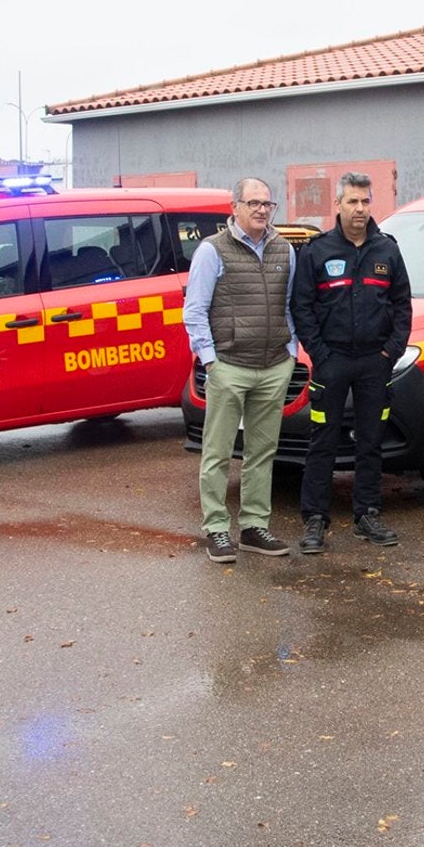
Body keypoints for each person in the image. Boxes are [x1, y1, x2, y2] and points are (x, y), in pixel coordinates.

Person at [289, 172, 412, 554]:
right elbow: (302, 307)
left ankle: (368, 514)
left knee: (370, 441)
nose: (359, 209)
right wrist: (321, 355)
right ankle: (315, 519)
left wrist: (390, 351)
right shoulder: (318, 251)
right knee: (322, 441)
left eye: (364, 202)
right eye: (352, 202)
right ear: (338, 205)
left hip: (375, 362)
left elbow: (402, 305)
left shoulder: (387, 250)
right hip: (333, 362)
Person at [183, 177, 299, 564]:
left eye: (268, 204)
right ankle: (216, 528)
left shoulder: (284, 249)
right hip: (230, 366)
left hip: (273, 366)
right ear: (235, 207)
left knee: (262, 452)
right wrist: (211, 361)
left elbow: (288, 306)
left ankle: (253, 526)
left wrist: (292, 352)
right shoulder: (212, 250)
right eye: (253, 203)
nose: (262, 210)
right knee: (217, 452)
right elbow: (195, 310)